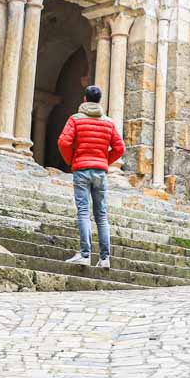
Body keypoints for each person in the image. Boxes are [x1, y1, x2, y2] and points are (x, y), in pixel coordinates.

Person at [57, 85, 125, 268]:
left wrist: (71, 160)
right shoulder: (108, 122)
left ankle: (85, 254)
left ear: (85, 99)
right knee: (101, 215)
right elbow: (120, 148)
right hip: (100, 172)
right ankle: (104, 259)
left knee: (83, 212)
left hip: (81, 169)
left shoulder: (75, 119)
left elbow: (63, 141)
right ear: (99, 100)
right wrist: (104, 161)